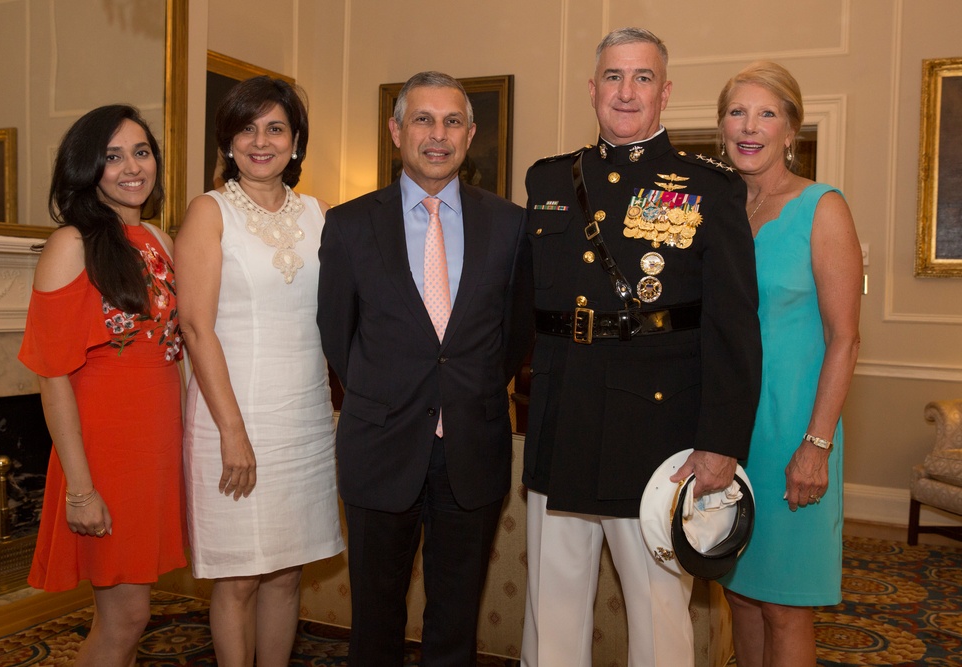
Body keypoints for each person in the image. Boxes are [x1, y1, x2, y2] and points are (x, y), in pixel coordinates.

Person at [520, 27, 762, 667]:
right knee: (553, 608)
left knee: (659, 615)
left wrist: (721, 444)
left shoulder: (709, 186)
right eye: (613, 77)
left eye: (643, 77)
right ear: (592, 89)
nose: (626, 92)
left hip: (657, 432)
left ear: (666, 93)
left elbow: (734, 327)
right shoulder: (547, 178)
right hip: (561, 416)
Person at [317, 70, 533, 666]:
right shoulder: (350, 224)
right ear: (396, 131)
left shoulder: (511, 226)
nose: (438, 135)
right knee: (375, 622)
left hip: (472, 446)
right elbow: (338, 336)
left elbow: (513, 336)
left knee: (455, 623)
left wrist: (466, 388)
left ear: (469, 135)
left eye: (452, 121)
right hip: (380, 444)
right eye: (423, 119)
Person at [176, 76, 344, 667]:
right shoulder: (209, 212)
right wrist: (232, 432)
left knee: (286, 573)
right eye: (246, 128)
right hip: (233, 416)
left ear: (296, 142)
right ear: (227, 141)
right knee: (239, 577)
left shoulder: (320, 214)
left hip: (302, 418)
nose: (260, 141)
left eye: (275, 128)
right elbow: (196, 328)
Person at [18, 104, 186, 666]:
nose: (132, 167)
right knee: (126, 619)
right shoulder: (72, 243)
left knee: (132, 617)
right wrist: (81, 489)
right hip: (106, 454)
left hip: (155, 448)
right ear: (87, 169)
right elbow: (52, 373)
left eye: (141, 152)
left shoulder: (157, 238)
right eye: (112, 157)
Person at [715, 61, 861, 667]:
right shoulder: (720, 212)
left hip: (795, 433)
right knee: (740, 598)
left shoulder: (822, 207)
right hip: (730, 434)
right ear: (721, 126)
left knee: (784, 606)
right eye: (736, 112)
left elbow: (845, 338)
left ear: (791, 130)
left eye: (766, 113)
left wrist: (816, 444)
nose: (749, 126)